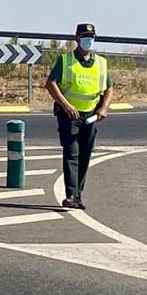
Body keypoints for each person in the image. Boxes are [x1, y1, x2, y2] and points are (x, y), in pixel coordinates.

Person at [45, 23, 114, 210]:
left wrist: (104, 108)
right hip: (70, 116)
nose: (88, 40)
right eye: (84, 36)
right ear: (76, 38)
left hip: (91, 116)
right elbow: (51, 83)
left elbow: (109, 88)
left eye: (91, 36)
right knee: (71, 154)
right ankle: (72, 196)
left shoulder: (101, 63)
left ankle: (78, 195)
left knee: (84, 156)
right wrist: (65, 105)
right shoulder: (66, 60)